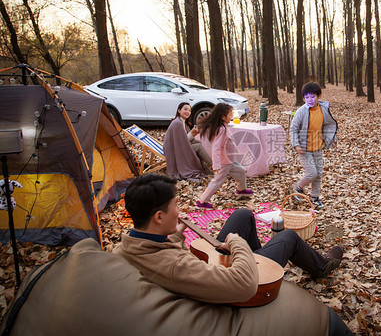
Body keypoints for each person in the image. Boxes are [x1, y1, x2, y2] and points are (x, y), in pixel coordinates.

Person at [113, 173, 351, 335]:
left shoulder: (126, 248)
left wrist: (173, 236)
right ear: (158, 217)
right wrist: (238, 246)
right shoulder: (175, 266)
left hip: (205, 270)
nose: (180, 210)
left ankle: (260, 255)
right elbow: (243, 285)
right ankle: (322, 266)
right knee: (287, 237)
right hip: (241, 282)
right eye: (175, 205)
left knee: (243, 215)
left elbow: (160, 256)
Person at [290, 82, 338, 209]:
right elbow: (293, 129)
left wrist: (331, 138)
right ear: (303, 98)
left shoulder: (323, 109)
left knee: (319, 174)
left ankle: (315, 197)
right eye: (307, 97)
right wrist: (296, 145)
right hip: (304, 148)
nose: (310, 100)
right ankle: (298, 187)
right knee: (312, 173)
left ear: (319, 96)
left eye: (312, 96)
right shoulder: (301, 111)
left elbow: (329, 124)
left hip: (318, 146)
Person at [196, 103, 253, 209]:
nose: (231, 116)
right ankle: (202, 201)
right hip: (224, 161)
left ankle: (241, 190)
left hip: (229, 159)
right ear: (223, 117)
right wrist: (216, 164)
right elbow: (216, 147)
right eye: (230, 114)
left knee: (240, 170)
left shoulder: (223, 126)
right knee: (217, 181)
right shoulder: (221, 129)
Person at [163, 102, 212, 180]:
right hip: (174, 151)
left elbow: (182, 140)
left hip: (178, 147)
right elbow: (181, 143)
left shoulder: (182, 122)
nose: (187, 112)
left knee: (197, 143)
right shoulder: (177, 123)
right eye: (185, 109)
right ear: (179, 110)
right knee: (198, 147)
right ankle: (213, 165)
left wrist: (193, 133)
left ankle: (205, 168)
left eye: (189, 110)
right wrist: (192, 133)